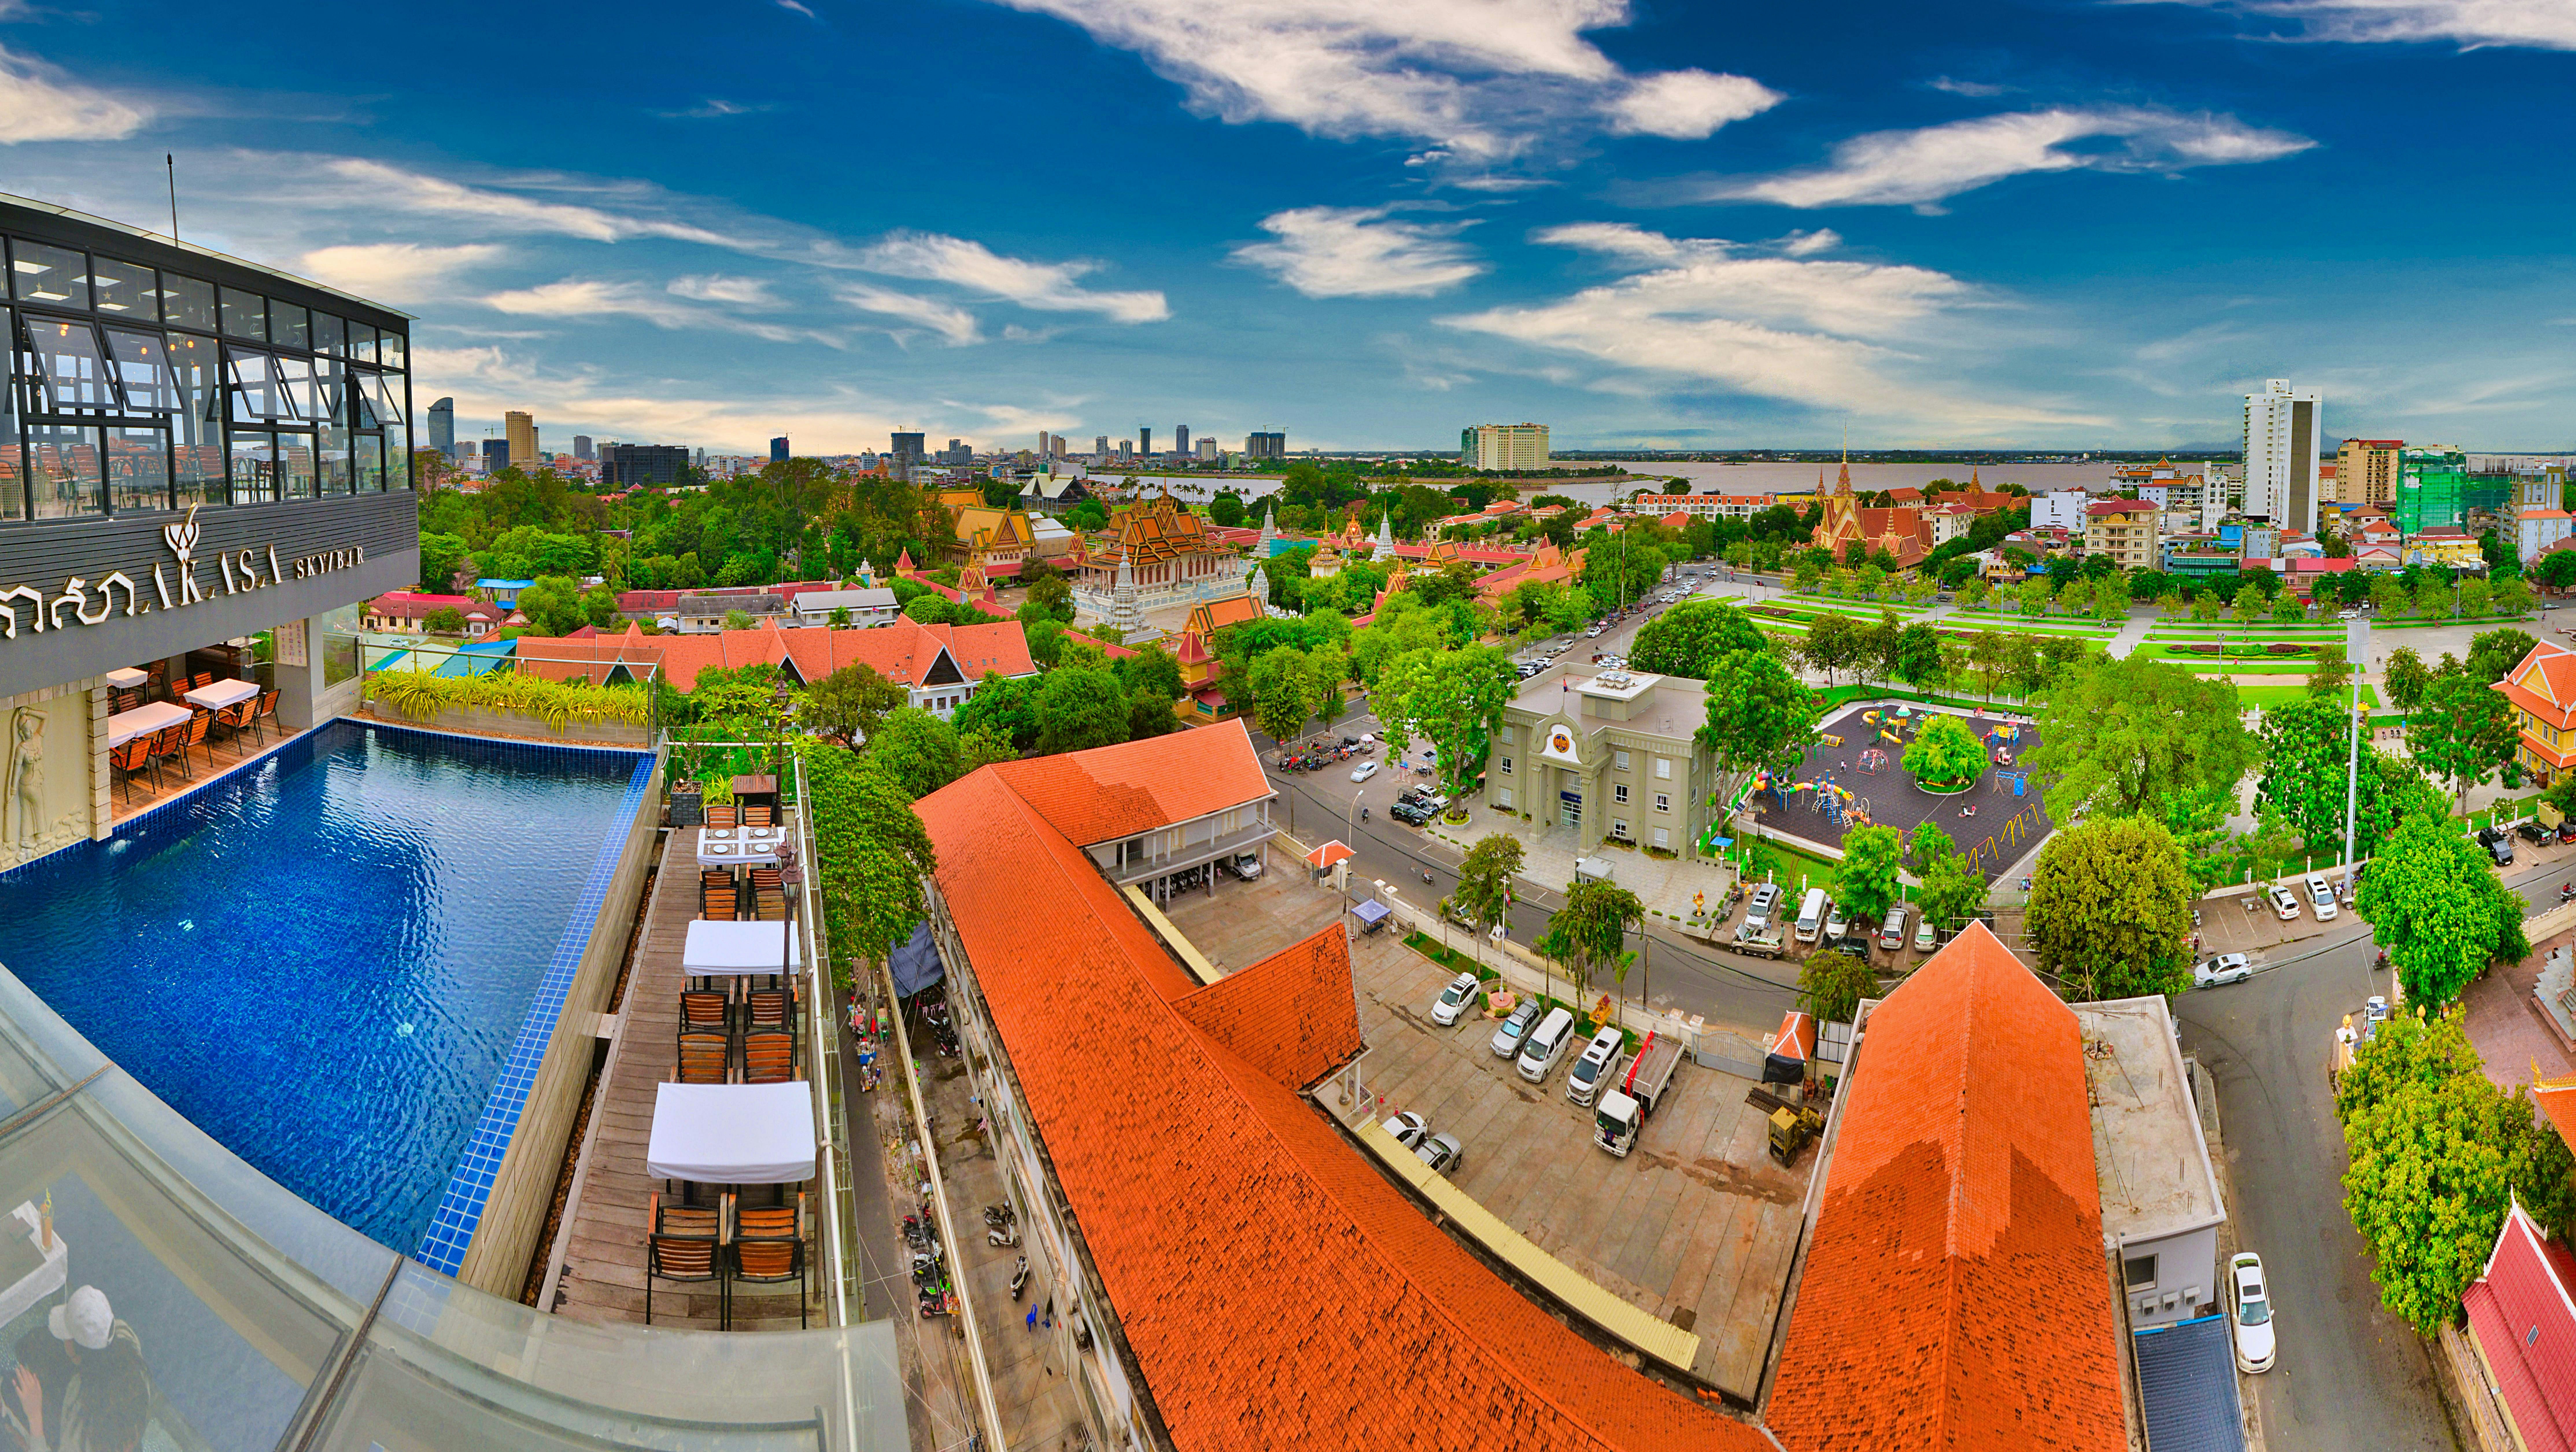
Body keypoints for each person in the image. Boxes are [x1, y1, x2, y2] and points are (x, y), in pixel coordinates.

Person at [5, 1285, 150, 1452]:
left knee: (10, 1389)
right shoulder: (126, 1338)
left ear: (79, 1355)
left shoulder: (81, 1425)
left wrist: (34, 1416)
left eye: (68, 1337)